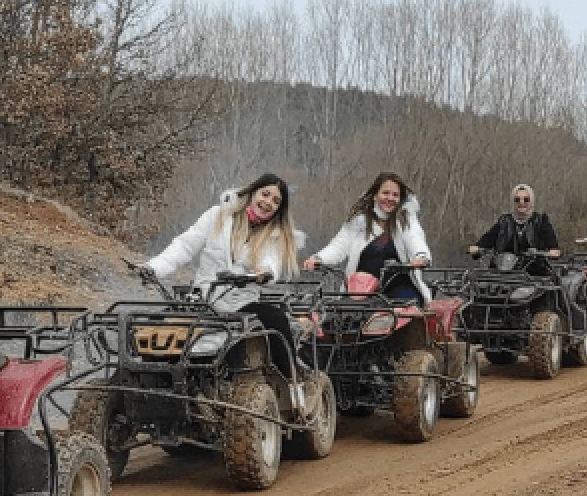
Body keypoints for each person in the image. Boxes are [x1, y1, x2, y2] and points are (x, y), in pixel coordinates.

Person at [141, 172, 315, 414]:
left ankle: (293, 384)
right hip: (204, 298)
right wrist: (154, 268)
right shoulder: (218, 216)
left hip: (241, 301)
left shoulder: (275, 235)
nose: (268, 202)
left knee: (275, 318)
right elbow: (185, 244)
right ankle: (153, 389)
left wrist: (262, 274)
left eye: (276, 201)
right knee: (159, 326)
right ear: (252, 193)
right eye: (265, 194)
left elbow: (273, 263)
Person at [303, 171, 431, 303]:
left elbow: (415, 238)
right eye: (385, 193)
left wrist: (421, 257)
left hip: (399, 287)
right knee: (337, 315)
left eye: (395, 195)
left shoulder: (406, 220)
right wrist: (319, 258)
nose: (390, 198)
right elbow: (339, 245)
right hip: (361, 289)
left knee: (404, 309)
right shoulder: (359, 220)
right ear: (375, 195)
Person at [469, 183, 560, 258]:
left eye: (526, 199)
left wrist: (547, 253)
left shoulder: (541, 221)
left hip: (535, 273)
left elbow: (554, 249)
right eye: (517, 199)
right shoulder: (504, 221)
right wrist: (476, 248)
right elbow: (488, 239)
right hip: (504, 271)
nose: (521, 202)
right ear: (513, 201)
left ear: (531, 201)